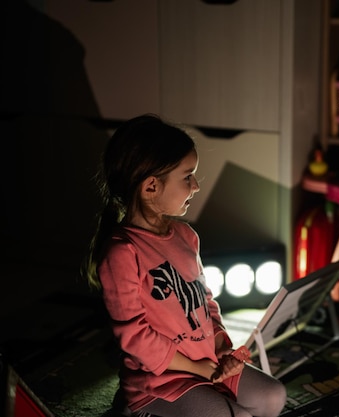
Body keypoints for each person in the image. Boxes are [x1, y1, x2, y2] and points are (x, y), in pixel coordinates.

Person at [83, 114, 286, 417]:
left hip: (206, 362)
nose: (195, 186)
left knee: (273, 397)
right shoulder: (122, 253)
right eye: (187, 176)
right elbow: (134, 336)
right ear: (151, 187)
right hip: (160, 380)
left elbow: (205, 303)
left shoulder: (186, 236)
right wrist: (197, 368)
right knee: (234, 415)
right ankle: (133, 410)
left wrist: (221, 348)